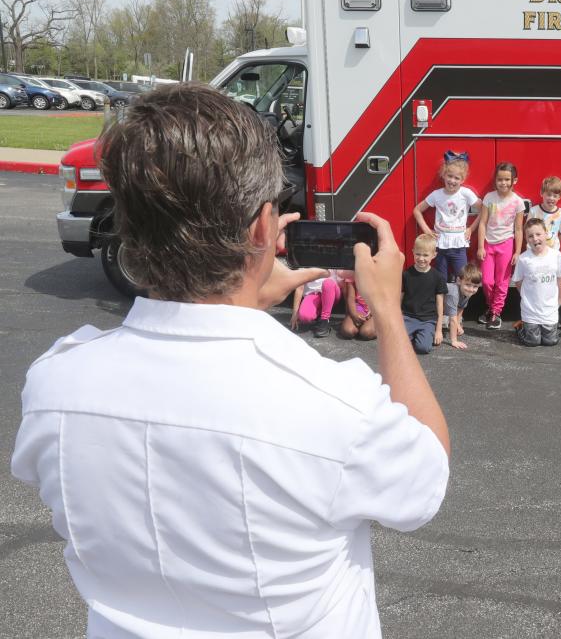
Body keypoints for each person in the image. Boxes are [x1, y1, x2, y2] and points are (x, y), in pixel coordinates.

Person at [11, 83, 450, 639]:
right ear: (263, 228)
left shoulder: (54, 388)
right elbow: (426, 474)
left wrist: (245, 295)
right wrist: (386, 309)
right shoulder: (336, 406)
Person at [412, 150, 481, 281]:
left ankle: (460, 302)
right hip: (440, 243)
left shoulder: (466, 193)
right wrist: (427, 230)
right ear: (443, 175)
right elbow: (417, 210)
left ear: (463, 179)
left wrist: (471, 228)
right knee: (441, 279)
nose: (452, 181)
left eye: (457, 178)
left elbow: (484, 210)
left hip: (459, 243)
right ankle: (441, 302)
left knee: (464, 278)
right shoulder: (436, 194)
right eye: (449, 176)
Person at [476, 161, 525, 330]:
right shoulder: (489, 198)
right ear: (495, 180)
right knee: (487, 281)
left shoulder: (518, 202)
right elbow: (482, 223)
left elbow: (518, 229)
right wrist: (480, 246)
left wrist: (517, 252)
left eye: (506, 179)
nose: (503, 183)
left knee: (501, 281)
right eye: (499, 179)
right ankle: (491, 307)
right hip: (489, 244)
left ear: (514, 180)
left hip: (506, 244)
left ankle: (496, 313)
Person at [513, 218, 561, 346]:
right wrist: (525, 295)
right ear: (527, 239)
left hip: (549, 309)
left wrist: (560, 297)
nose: (535, 238)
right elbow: (518, 280)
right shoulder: (524, 259)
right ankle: (520, 327)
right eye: (530, 236)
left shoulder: (556, 255)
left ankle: (542, 331)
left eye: (538, 234)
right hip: (530, 310)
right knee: (533, 342)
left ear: (546, 233)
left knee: (551, 341)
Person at [401, 233, 448, 354]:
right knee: (398, 344)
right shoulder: (406, 274)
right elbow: (400, 298)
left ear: (434, 255)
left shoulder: (438, 277)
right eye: (418, 254)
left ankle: (420, 335)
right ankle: (410, 336)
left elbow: (440, 305)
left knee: (424, 348)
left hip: (428, 320)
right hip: (408, 317)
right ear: (412, 252)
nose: (421, 258)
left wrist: (439, 330)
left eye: (425, 255)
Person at [445, 263, 482, 350]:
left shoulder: (467, 293)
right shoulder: (453, 292)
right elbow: (452, 319)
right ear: (458, 281)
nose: (471, 289)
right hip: (428, 309)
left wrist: (458, 325)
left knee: (457, 327)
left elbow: (460, 308)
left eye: (475, 286)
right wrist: (454, 340)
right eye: (468, 284)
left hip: (443, 310)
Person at [526, 175, 561, 251]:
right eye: (548, 195)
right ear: (541, 193)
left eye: (555, 196)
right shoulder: (534, 211)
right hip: (534, 251)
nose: (551, 198)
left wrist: (554, 246)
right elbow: (527, 231)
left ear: (560, 196)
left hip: (552, 252)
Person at [290, 269, 336, 337]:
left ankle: (325, 319)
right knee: (304, 316)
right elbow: (299, 288)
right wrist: (295, 313)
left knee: (328, 283)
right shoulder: (306, 262)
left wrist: (355, 311)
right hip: (313, 294)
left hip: (331, 293)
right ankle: (320, 314)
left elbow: (348, 290)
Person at [339, 271, 376, 341]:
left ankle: (379, 327)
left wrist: (373, 312)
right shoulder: (353, 275)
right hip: (360, 307)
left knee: (366, 332)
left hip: (376, 310)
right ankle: (363, 325)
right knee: (348, 331)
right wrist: (354, 314)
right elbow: (351, 297)